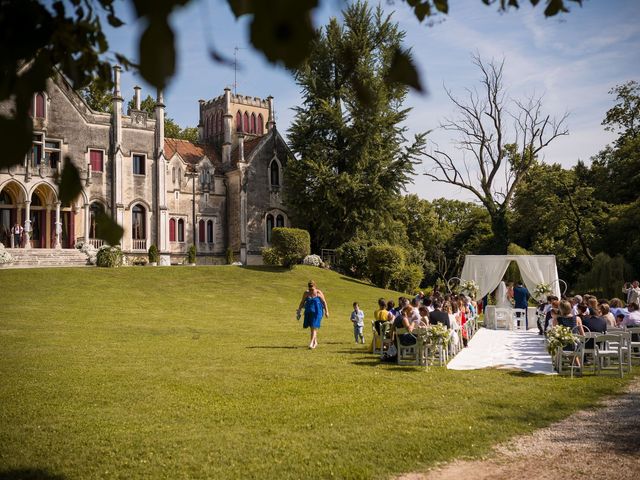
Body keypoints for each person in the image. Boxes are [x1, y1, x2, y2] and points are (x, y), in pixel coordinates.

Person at [297, 280, 329, 349]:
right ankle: (315, 342)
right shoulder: (306, 293)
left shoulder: (318, 292)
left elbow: (324, 302)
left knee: (314, 327)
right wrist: (299, 311)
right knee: (312, 328)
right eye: (310, 289)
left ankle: (311, 343)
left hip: (318, 312)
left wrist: (326, 311)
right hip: (309, 312)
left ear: (315, 286)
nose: (311, 290)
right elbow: (302, 302)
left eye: (312, 289)